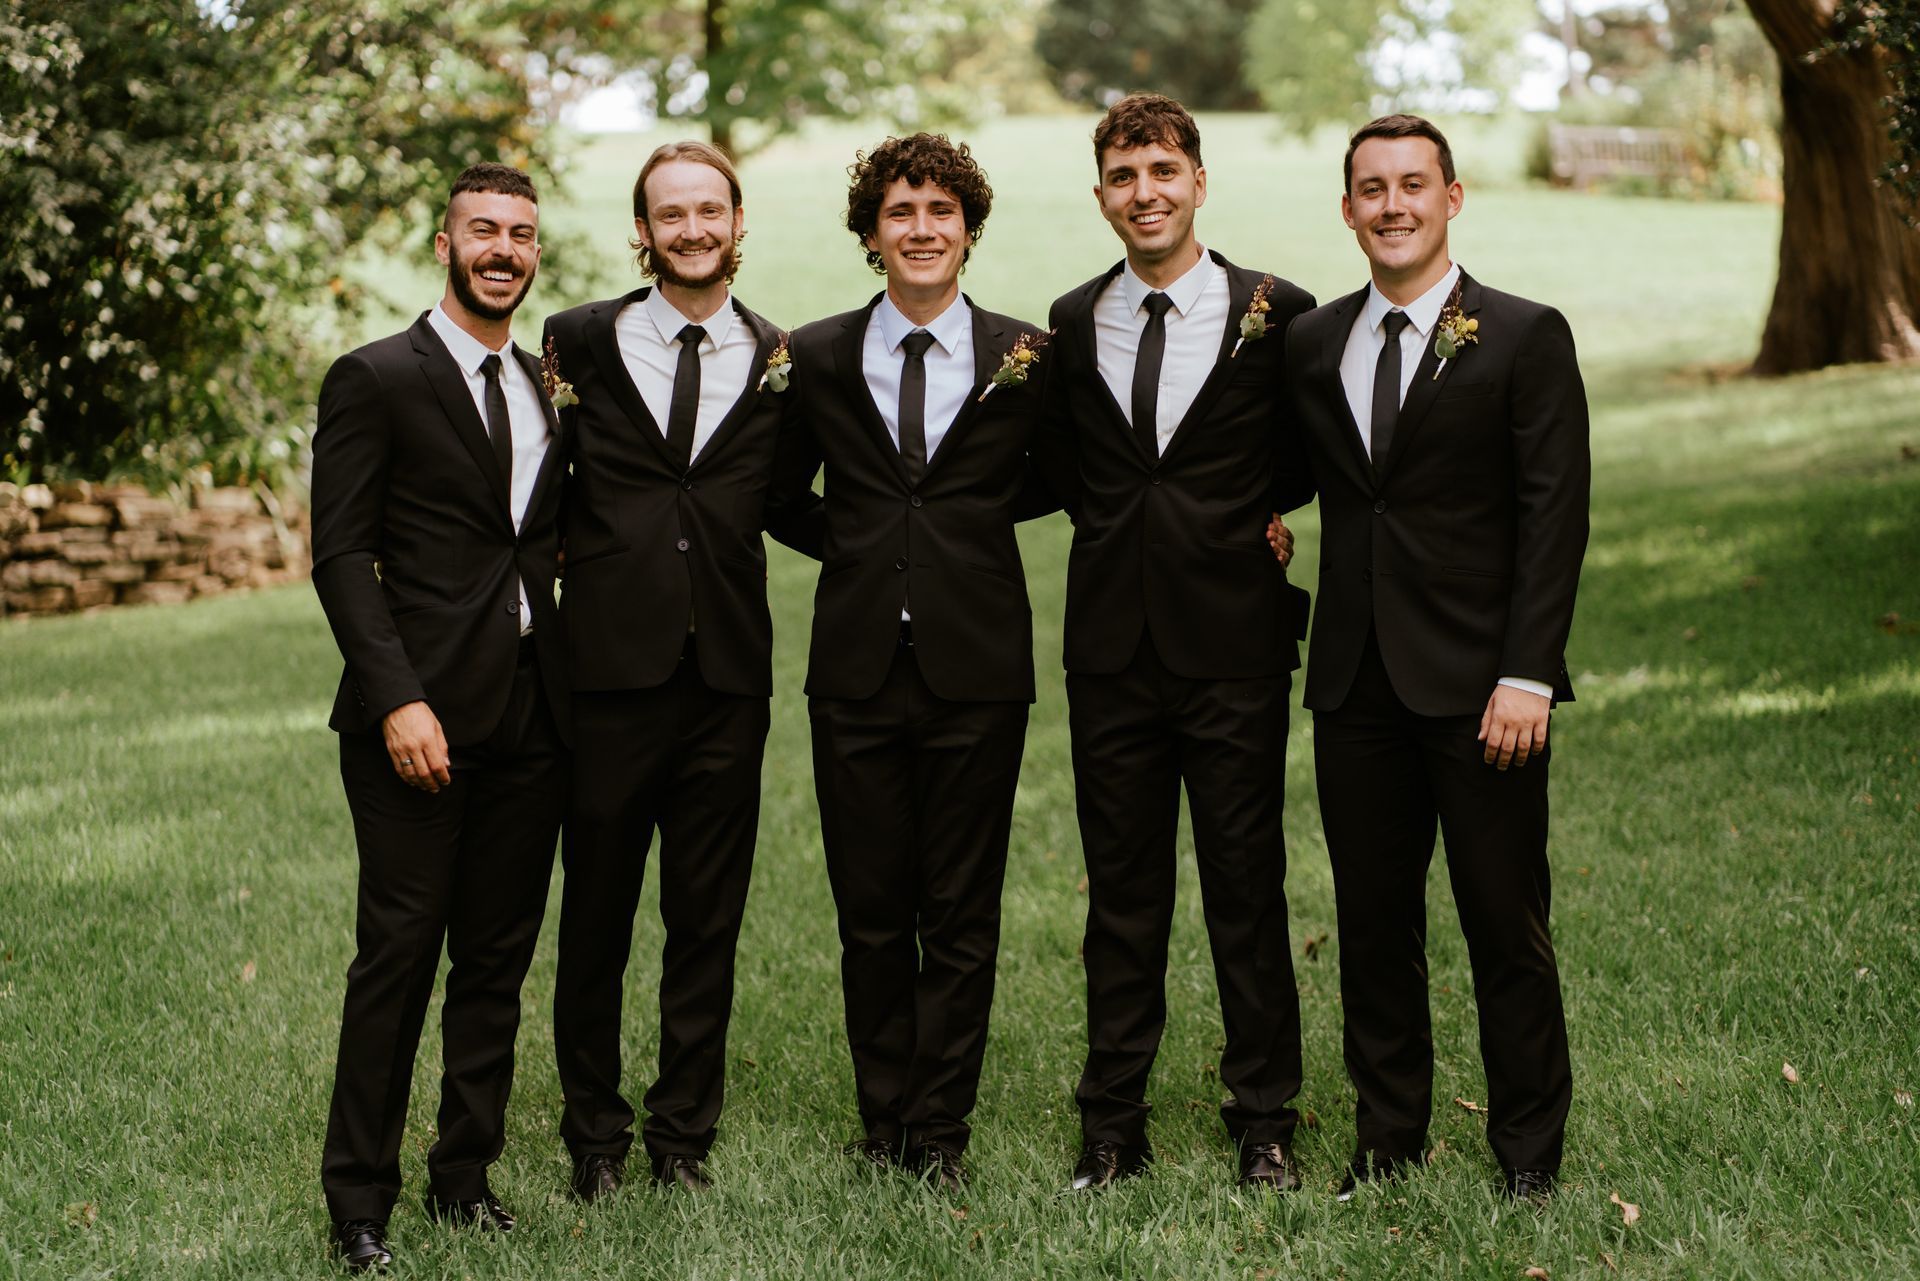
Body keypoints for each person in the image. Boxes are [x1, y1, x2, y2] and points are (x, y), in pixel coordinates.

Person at [1283, 114, 1590, 1203]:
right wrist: (1265, 525)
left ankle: (1528, 1157)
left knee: (1504, 921)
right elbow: (1302, 474)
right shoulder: (1314, 344)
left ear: (1452, 199)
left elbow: (1555, 519)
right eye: (1372, 188)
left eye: (1414, 184)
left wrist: (1527, 673)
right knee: (1372, 924)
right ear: (1349, 209)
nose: (1393, 205)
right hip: (1356, 682)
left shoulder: (1521, 335)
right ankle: (1388, 1137)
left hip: (1482, 688)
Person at [1033, 93, 1316, 1192]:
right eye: (1121, 175)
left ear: (1198, 180)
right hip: (1109, 652)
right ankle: (1113, 1126)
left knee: (1247, 884)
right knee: (1122, 894)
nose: (1143, 192)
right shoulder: (1065, 321)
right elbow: (1066, 468)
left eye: (1160, 170)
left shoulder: (1277, 312)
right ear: (1101, 194)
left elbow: (1305, 446)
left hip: (1235, 647)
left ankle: (1265, 1123)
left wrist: (1244, 517)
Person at [767, 133, 1057, 1191]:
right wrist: (866, 544)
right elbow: (773, 490)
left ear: (968, 229)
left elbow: (1064, 475)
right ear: (871, 233)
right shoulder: (821, 354)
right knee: (871, 910)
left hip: (978, 667)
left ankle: (940, 1132)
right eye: (900, 211)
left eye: (941, 210)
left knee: (962, 911)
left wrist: (956, 534)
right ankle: (880, 1118)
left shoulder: (1027, 355)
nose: (921, 229)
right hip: (853, 668)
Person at [542, 141, 821, 1200]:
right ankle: (595, 1141)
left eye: (711, 210)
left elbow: (789, 502)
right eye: (672, 214)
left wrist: (928, 546)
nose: (693, 229)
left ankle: (681, 1139)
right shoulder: (580, 341)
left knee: (708, 918)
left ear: (738, 222)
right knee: (599, 915)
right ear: (644, 230)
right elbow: (542, 485)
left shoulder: (779, 357)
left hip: (727, 683)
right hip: (606, 676)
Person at [312, 162, 568, 1271]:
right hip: (413, 721)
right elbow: (339, 555)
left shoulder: (549, 383)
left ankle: (464, 1178)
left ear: (535, 253)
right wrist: (397, 697)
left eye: (520, 233)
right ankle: (358, 1202)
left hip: (531, 714)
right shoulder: (375, 377)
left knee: (498, 961)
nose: (502, 249)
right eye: (482, 231)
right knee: (400, 956)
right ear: (444, 241)